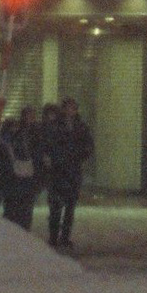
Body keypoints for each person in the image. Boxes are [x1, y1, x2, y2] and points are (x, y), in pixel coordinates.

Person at [44, 95, 94, 251]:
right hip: (58, 171)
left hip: (73, 170)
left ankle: (65, 237)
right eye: (68, 108)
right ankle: (53, 236)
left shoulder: (81, 127)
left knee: (70, 206)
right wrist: (56, 158)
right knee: (56, 205)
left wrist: (79, 156)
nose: (71, 111)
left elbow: (88, 145)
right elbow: (49, 144)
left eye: (73, 108)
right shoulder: (55, 126)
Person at [0, 105, 42, 230]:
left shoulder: (34, 132)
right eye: (28, 115)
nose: (30, 119)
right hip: (17, 176)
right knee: (16, 206)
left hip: (26, 176)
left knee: (24, 207)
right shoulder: (17, 133)